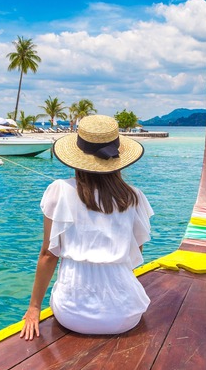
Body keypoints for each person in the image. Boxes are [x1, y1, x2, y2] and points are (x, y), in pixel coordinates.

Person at [20, 115, 154, 340]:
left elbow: (48, 255)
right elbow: (135, 254)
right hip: (126, 313)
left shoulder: (59, 190)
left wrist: (34, 308)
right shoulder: (133, 196)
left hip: (74, 313)